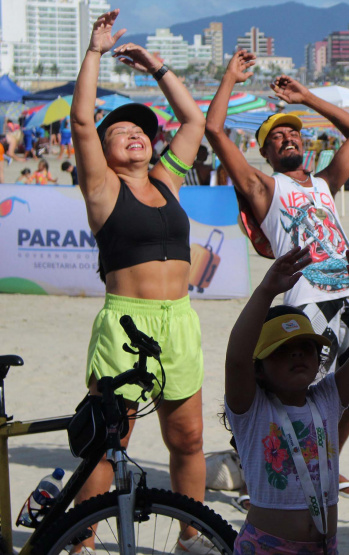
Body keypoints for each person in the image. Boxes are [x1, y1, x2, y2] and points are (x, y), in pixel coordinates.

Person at [205, 50, 349, 499]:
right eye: (275, 137)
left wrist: (306, 97)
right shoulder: (265, 188)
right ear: (263, 153)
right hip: (306, 297)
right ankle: (266, 468)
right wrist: (230, 77)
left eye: (292, 133)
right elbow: (214, 131)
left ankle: (326, 464)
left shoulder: (323, 184)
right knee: (294, 392)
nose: (286, 138)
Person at [70, 9, 210, 553]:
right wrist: (96, 51)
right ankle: (80, 540)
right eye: (121, 131)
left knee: (189, 439)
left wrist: (157, 66)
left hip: (180, 322)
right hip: (126, 322)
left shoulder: (167, 180)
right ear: (102, 152)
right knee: (110, 443)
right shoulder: (102, 190)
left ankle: (191, 535)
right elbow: (83, 122)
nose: (134, 135)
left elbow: (193, 122)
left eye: (141, 131)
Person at [224, 244, 349, 554]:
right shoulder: (252, 408)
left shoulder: (326, 398)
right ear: (259, 369)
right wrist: (266, 291)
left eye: (306, 346)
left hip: (325, 546)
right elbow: (236, 360)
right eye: (282, 350)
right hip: (267, 548)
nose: (296, 353)